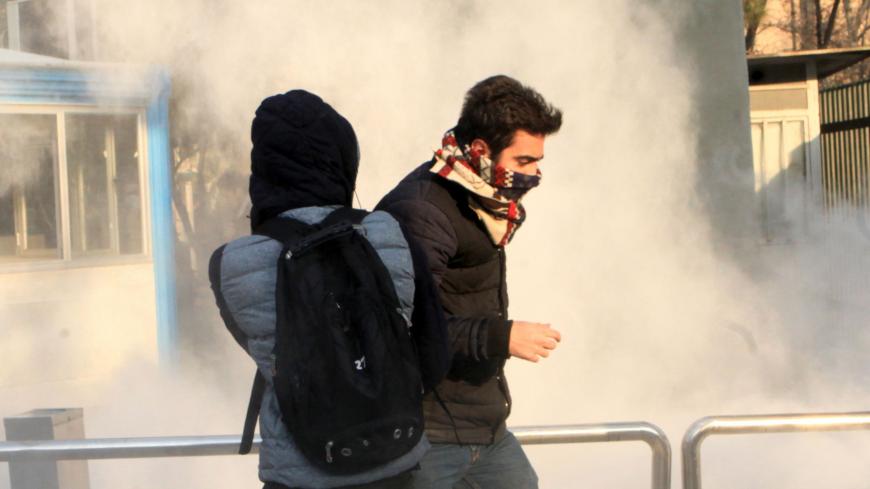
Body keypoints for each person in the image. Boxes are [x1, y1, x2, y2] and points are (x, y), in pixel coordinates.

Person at [209, 90, 448, 489]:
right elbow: (435, 357)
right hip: (396, 464)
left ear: (264, 170)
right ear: (342, 158)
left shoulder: (230, 264)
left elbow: (268, 356)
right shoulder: (389, 232)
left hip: (300, 475)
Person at [376, 75, 564, 489]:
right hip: (429, 435)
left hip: (484, 428)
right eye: (524, 162)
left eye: (538, 162)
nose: (535, 176)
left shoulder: (484, 200)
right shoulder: (422, 211)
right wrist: (502, 337)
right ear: (480, 150)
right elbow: (401, 328)